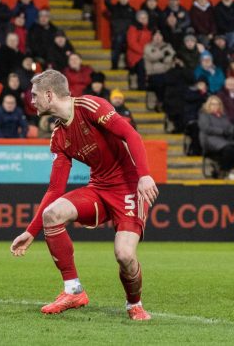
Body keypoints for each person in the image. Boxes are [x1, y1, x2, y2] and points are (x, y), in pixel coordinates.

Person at [9, 70, 159, 320]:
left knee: (124, 255)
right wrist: (30, 231)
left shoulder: (91, 106)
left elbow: (130, 134)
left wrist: (144, 175)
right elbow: (55, 189)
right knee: (52, 213)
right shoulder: (58, 136)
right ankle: (73, 290)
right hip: (99, 189)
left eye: (35, 96)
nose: (32, 101)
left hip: (129, 187)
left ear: (49, 94)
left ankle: (134, 304)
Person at [198, 95, 234, 177]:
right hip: (210, 139)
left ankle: (225, 169)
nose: (215, 106)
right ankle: (224, 170)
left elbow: (229, 126)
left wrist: (231, 129)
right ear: (208, 105)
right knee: (228, 149)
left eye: (217, 104)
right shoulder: (204, 115)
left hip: (224, 139)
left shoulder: (223, 116)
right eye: (213, 104)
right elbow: (206, 128)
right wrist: (222, 131)